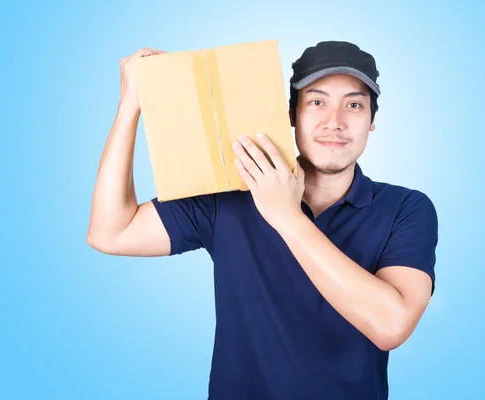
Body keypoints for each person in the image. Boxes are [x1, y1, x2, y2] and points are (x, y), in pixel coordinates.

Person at [87, 40, 438, 400]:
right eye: (317, 102)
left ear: (372, 121)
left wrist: (287, 217)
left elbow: (391, 326)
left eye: (354, 105)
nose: (334, 122)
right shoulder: (231, 195)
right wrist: (130, 106)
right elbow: (111, 232)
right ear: (291, 113)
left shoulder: (406, 208)